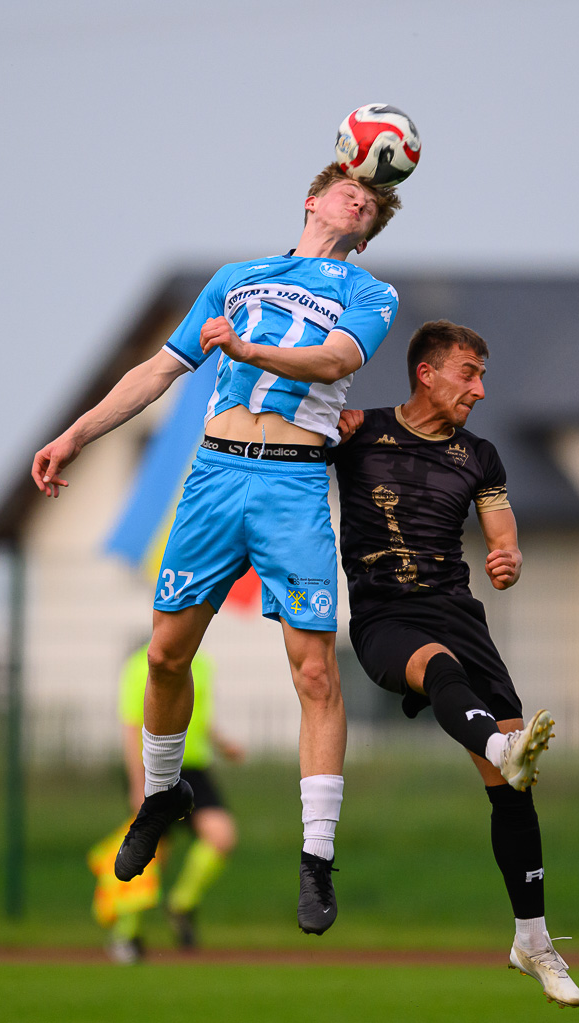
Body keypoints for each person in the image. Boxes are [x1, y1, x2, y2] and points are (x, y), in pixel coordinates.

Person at [32, 164, 402, 936]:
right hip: (214, 476)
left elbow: (334, 361)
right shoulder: (236, 279)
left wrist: (247, 348)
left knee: (314, 670)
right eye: (349, 189)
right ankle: (163, 795)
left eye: (372, 203)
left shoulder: (369, 293)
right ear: (312, 199)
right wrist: (75, 435)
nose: (359, 200)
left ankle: (316, 856)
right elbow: (157, 371)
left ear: (368, 233)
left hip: (293, 484)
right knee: (165, 656)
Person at [331, 320, 579, 1008]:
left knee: (513, 794)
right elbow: (290, 440)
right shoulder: (359, 431)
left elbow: (501, 529)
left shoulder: (481, 456)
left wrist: (510, 556)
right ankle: (501, 746)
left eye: (481, 377)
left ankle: (532, 941)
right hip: (386, 617)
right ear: (427, 373)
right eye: (468, 374)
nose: (479, 389)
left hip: (459, 614)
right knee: (438, 668)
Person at [91, 644, 242, 963]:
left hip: (195, 767)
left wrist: (222, 744)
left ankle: (181, 904)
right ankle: (126, 933)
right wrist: (138, 783)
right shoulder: (140, 666)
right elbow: (132, 727)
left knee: (221, 835)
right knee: (150, 851)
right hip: (155, 768)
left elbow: (197, 715)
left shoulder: (202, 663)